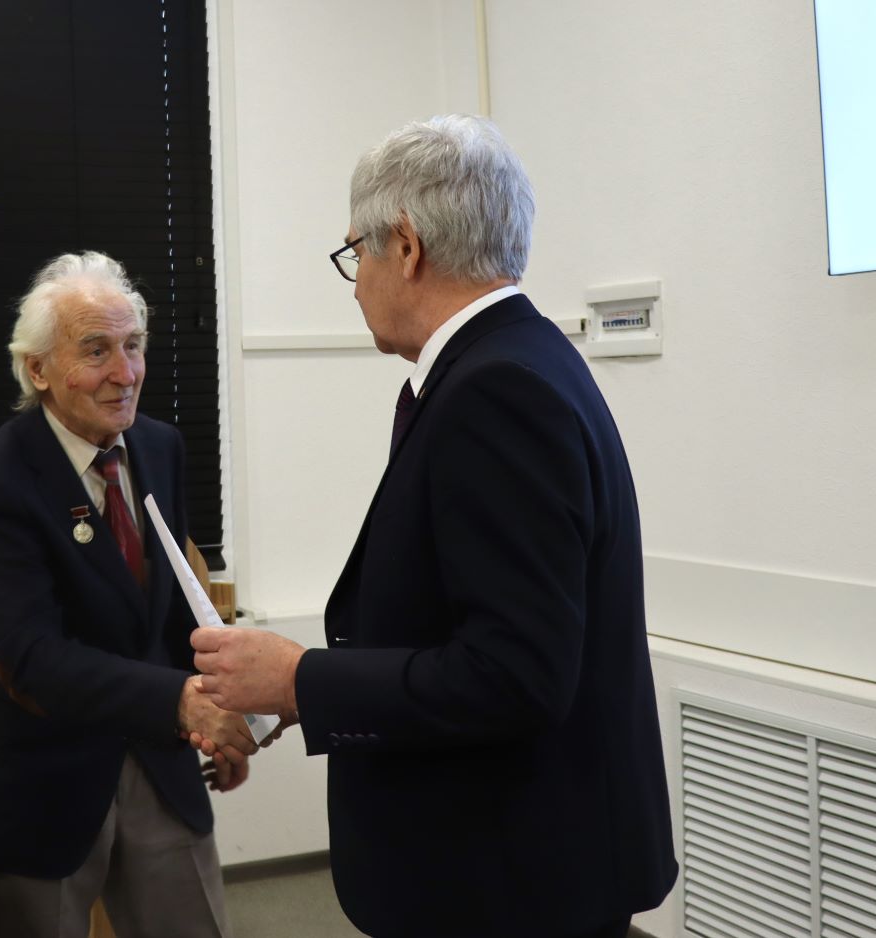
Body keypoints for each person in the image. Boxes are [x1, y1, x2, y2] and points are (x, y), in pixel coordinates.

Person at [190, 116, 678, 938]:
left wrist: (302, 680)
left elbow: (515, 675)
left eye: (356, 253)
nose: (354, 284)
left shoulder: (495, 392)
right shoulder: (521, 360)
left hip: (503, 882)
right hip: (522, 863)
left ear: (406, 246)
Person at [0, 251, 256, 938]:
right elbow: (30, 655)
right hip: (44, 777)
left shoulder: (160, 447)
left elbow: (170, 609)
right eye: (96, 351)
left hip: (159, 759)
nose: (125, 372)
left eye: (133, 346)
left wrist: (219, 711)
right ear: (38, 370)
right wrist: (180, 701)